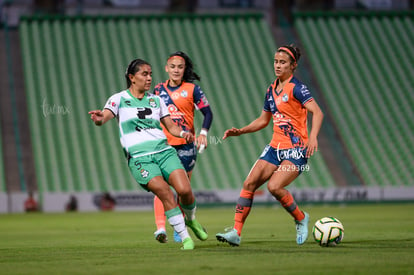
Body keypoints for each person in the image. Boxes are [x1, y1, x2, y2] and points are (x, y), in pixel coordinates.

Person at [88, 58, 208, 250]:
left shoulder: (156, 100)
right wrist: (98, 118)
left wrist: (184, 133)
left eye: (150, 73)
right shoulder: (118, 99)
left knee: (185, 190)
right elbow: (104, 117)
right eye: (144, 74)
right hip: (140, 158)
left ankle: (192, 220)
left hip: (165, 152)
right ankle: (185, 238)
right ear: (132, 78)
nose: (149, 78)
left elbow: (170, 126)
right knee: (165, 193)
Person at [216, 45, 324, 246]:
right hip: (275, 148)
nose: (278, 65)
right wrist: (241, 130)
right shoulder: (271, 90)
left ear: (293, 66)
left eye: (283, 62)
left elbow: (317, 112)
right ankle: (236, 232)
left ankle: (300, 218)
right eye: (276, 61)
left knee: (275, 187)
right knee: (249, 184)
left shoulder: (297, 88)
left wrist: (313, 138)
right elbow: (263, 120)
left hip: (296, 149)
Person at [152, 51, 213, 243]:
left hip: (186, 146)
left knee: (182, 190)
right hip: (164, 145)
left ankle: (182, 226)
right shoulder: (157, 90)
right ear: (166, 68)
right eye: (173, 67)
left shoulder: (192, 89)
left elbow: (208, 113)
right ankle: (161, 228)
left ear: (184, 69)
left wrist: (203, 133)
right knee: (161, 186)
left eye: (180, 67)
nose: (176, 70)